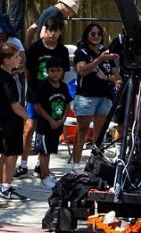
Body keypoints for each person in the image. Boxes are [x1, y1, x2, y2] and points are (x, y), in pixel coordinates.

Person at [22, 18, 71, 176]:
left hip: (53, 95)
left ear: (60, 31)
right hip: (36, 92)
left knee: (48, 130)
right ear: (44, 30)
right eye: (50, 29)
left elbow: (63, 72)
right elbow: (28, 70)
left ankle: (40, 164)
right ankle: (23, 163)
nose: (52, 33)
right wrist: (33, 88)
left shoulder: (62, 50)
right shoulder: (35, 48)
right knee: (29, 127)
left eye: (56, 30)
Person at [71, 23, 119, 171]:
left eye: (99, 34)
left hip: (104, 96)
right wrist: (98, 60)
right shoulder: (81, 52)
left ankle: (96, 164)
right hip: (87, 96)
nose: (96, 36)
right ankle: (76, 165)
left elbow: (115, 74)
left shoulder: (105, 52)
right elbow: (82, 71)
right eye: (93, 34)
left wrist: (107, 78)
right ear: (87, 35)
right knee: (83, 130)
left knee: (100, 132)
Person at [0, 42, 28, 200]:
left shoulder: (1, 74)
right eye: (16, 57)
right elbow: (14, 105)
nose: (19, 59)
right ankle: (6, 187)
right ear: (6, 60)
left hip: (0, 121)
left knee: (5, 154)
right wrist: (27, 118)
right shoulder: (5, 78)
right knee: (12, 154)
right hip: (9, 121)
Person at [32, 62, 71, 188]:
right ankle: (44, 177)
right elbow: (37, 106)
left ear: (62, 72)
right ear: (47, 71)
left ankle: (45, 171)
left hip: (57, 125)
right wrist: (50, 120)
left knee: (49, 150)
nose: (55, 73)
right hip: (44, 126)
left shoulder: (63, 86)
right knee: (44, 152)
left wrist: (63, 119)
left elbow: (67, 103)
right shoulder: (43, 86)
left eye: (58, 70)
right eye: (52, 70)